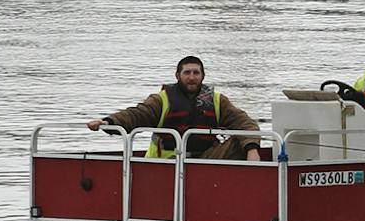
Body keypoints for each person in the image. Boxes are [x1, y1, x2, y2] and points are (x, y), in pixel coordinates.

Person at [87, 55, 263, 161]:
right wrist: (109, 122)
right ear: (178, 75)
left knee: (240, 141)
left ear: (203, 76)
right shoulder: (162, 99)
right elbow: (137, 114)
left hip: (204, 159)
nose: (192, 77)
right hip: (167, 162)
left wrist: (252, 149)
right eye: (187, 73)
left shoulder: (217, 100)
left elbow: (244, 123)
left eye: (196, 73)